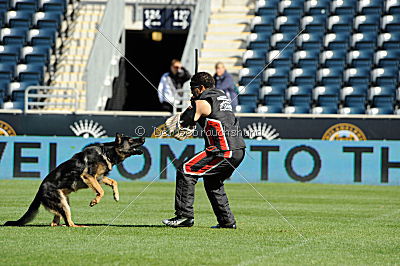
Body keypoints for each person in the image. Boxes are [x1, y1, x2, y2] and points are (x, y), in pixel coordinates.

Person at [162, 72, 246, 229]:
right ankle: (227, 222)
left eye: (193, 89)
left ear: (201, 88)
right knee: (213, 181)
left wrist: (191, 106)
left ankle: (184, 216)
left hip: (223, 150)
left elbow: (182, 122)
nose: (192, 92)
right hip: (238, 149)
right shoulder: (221, 97)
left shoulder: (202, 101)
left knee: (186, 170)